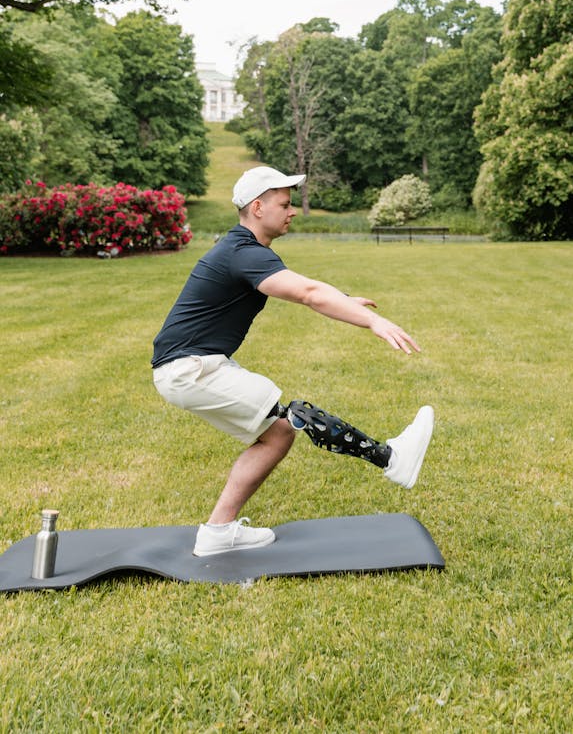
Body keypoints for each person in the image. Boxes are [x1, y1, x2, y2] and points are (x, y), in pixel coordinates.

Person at [151, 165, 434, 557]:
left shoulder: (245, 250)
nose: (293, 211)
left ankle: (218, 531)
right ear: (257, 207)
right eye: (284, 204)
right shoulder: (242, 253)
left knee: (280, 430)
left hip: (192, 367)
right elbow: (308, 293)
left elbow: (304, 285)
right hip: (190, 369)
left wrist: (345, 300)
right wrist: (373, 321)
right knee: (294, 417)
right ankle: (391, 460)